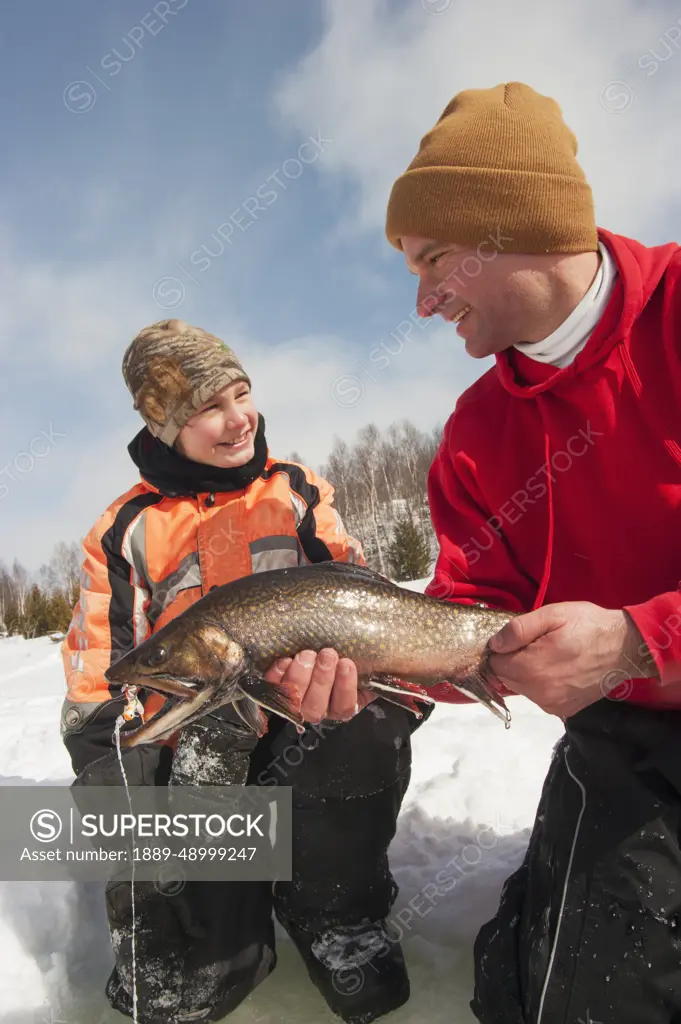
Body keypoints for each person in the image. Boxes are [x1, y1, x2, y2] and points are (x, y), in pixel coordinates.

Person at [380, 82, 681, 1023]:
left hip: (643, 673)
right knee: (565, 993)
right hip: (631, 738)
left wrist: (641, 639)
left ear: (514, 228)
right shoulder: (474, 437)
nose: (422, 300)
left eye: (433, 259)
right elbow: (468, 613)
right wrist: (373, 663)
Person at [61, 318, 424, 1024]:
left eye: (240, 393)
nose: (237, 421)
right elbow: (98, 681)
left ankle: (334, 911)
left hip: (304, 724)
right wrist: (118, 779)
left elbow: (363, 599)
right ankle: (206, 947)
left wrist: (385, 694)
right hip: (190, 745)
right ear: (166, 426)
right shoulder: (123, 530)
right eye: (207, 409)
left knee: (362, 731)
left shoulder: (294, 491)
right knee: (174, 937)